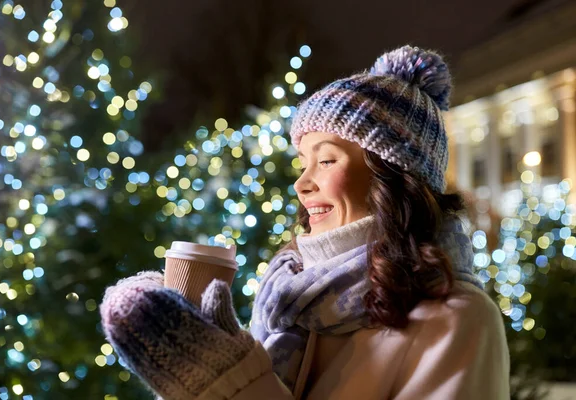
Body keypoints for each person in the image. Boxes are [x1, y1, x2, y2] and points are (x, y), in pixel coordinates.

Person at [100, 45, 510, 400]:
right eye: (303, 163)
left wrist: (226, 382)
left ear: (393, 175)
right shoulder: (292, 300)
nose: (302, 183)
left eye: (327, 160)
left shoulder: (458, 321)